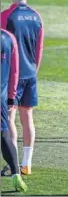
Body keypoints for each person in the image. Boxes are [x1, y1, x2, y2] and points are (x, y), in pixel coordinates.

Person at [1, 0, 44, 175]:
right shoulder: (37, 17)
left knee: (10, 118)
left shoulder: (6, 15)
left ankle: (13, 165)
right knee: (28, 117)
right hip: (31, 74)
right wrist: (33, 72)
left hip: (12, 76)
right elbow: (39, 49)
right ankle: (27, 164)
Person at [1, 28, 28, 192]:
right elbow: (14, 70)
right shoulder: (8, 37)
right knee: (3, 134)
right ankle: (16, 174)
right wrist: (11, 96)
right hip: (1, 97)